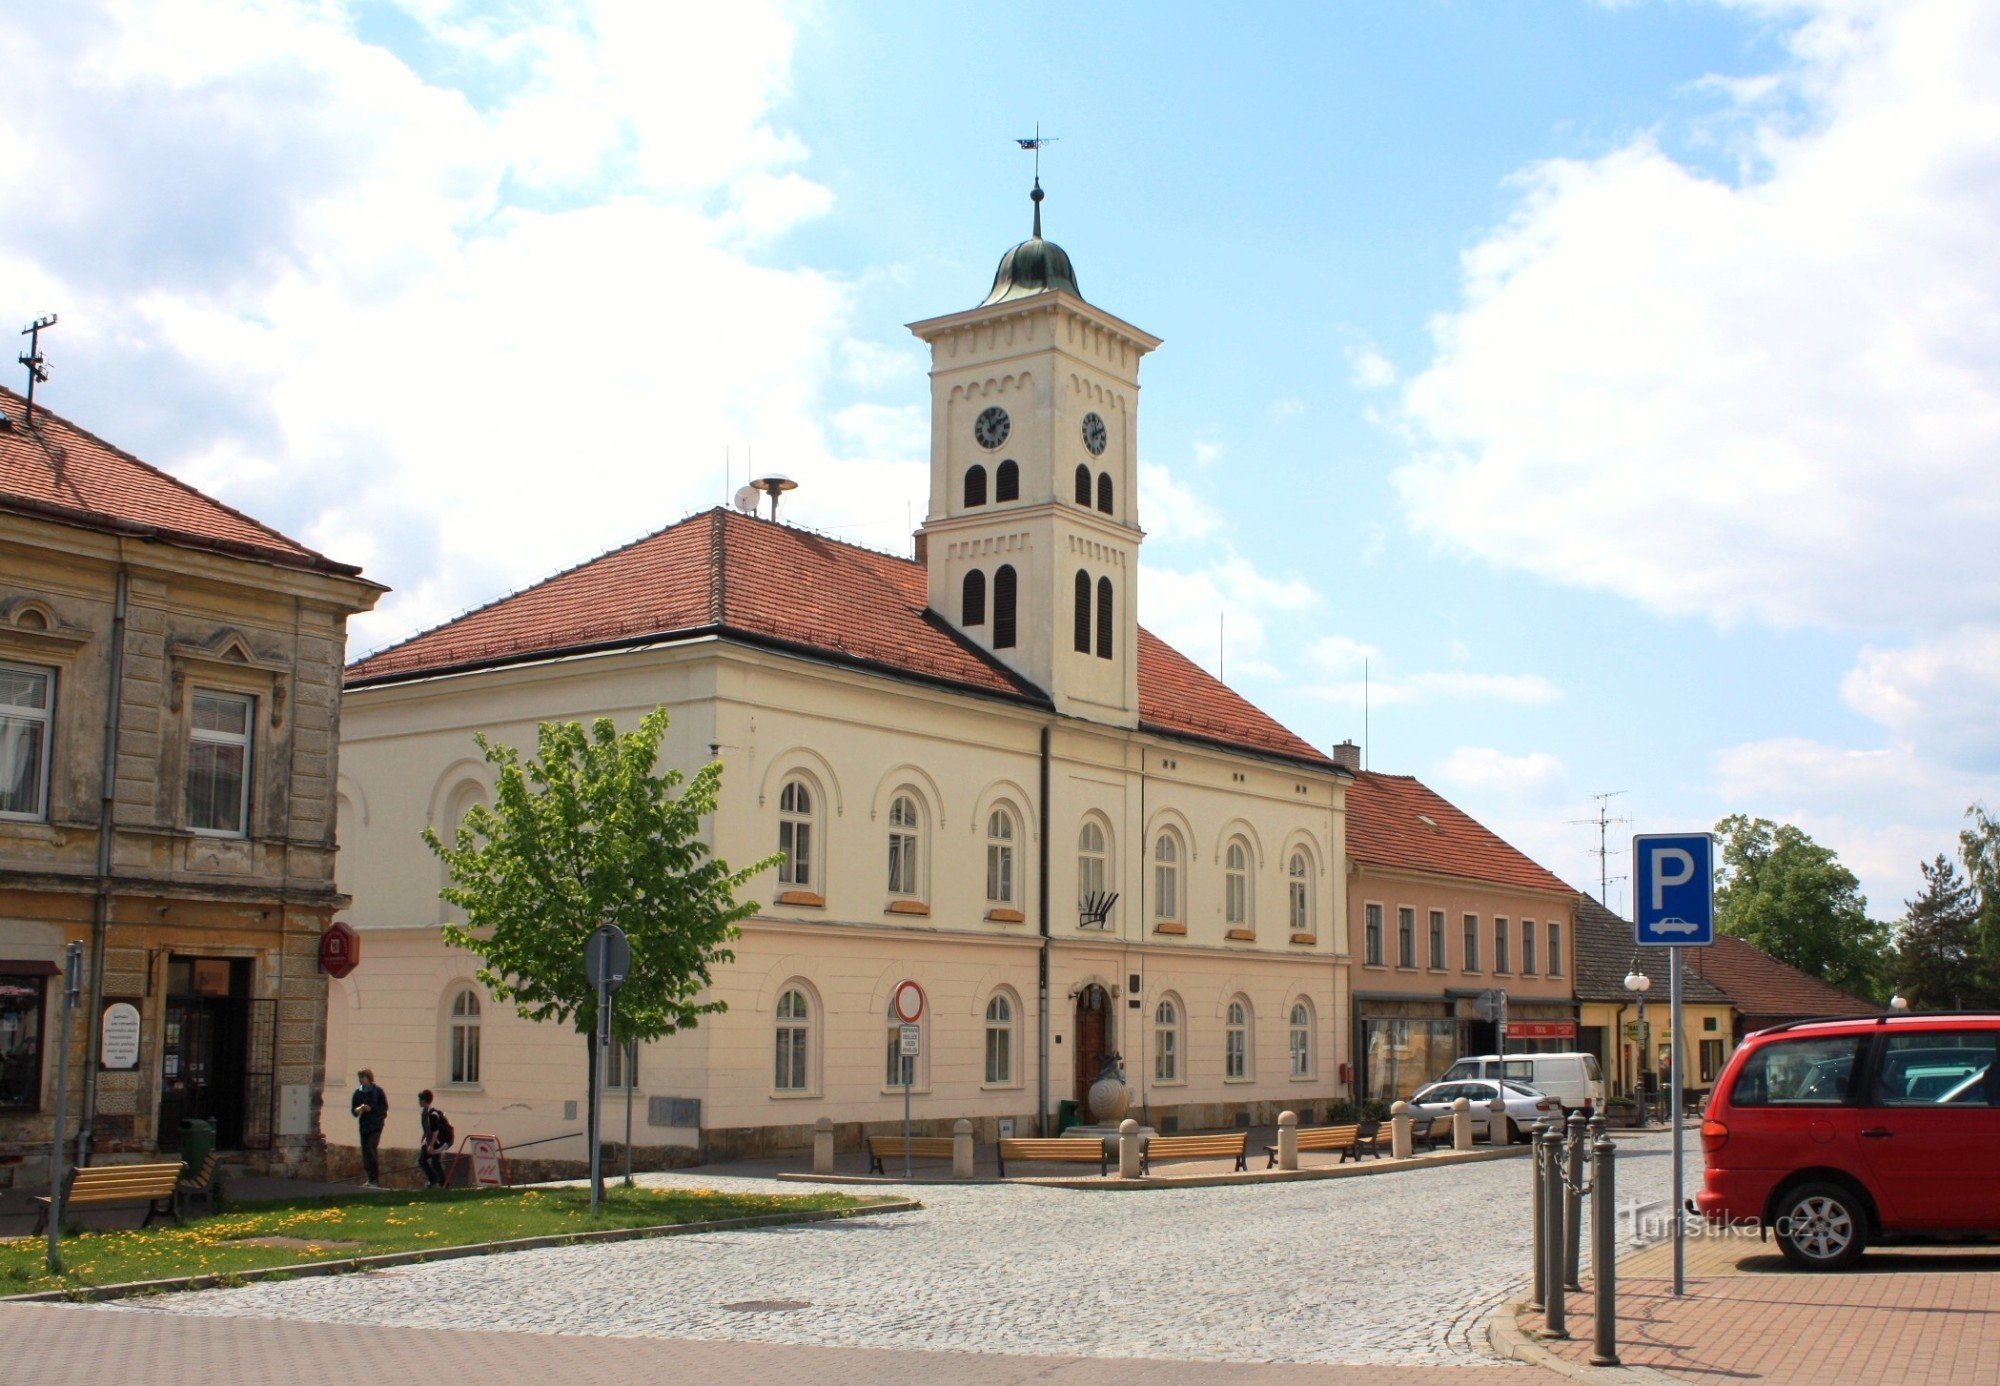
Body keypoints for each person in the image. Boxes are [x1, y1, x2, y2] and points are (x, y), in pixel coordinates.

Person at [350, 1067, 388, 1188]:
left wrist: (371, 1109)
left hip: (376, 1125)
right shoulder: (358, 1093)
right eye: (360, 1078)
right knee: (365, 1151)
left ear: (369, 1078)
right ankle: (370, 1178)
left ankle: (375, 1179)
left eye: (363, 1077)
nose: (361, 1080)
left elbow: (384, 1108)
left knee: (371, 1147)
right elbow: (353, 1111)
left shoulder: (378, 1091)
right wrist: (359, 1109)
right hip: (364, 1126)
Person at [417, 1089, 451, 1188]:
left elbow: (436, 1132)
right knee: (422, 1160)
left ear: (424, 1101)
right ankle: (433, 1178)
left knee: (435, 1163)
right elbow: (427, 1130)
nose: (419, 1101)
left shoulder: (432, 1114)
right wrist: (424, 1141)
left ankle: (444, 1184)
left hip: (438, 1142)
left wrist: (431, 1146)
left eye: (420, 1099)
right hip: (430, 1141)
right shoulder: (424, 1113)